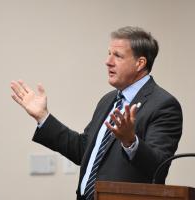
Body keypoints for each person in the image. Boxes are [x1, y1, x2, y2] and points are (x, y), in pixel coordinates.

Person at [10, 26, 182, 200]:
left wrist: (130, 141)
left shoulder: (163, 105)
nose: (108, 61)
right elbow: (82, 150)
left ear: (140, 63)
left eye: (118, 56)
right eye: (109, 54)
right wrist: (43, 117)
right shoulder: (108, 100)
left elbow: (158, 168)